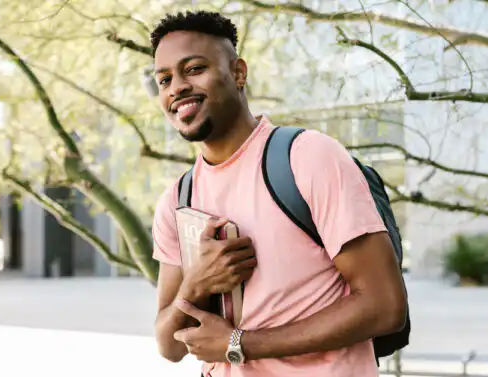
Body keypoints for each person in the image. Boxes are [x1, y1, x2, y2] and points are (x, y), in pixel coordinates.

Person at [149, 10, 408, 377]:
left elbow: (384, 306)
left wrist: (240, 344)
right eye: (164, 79)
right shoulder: (177, 200)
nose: (176, 87)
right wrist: (196, 282)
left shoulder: (306, 157)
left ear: (238, 73)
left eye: (194, 69)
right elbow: (169, 344)